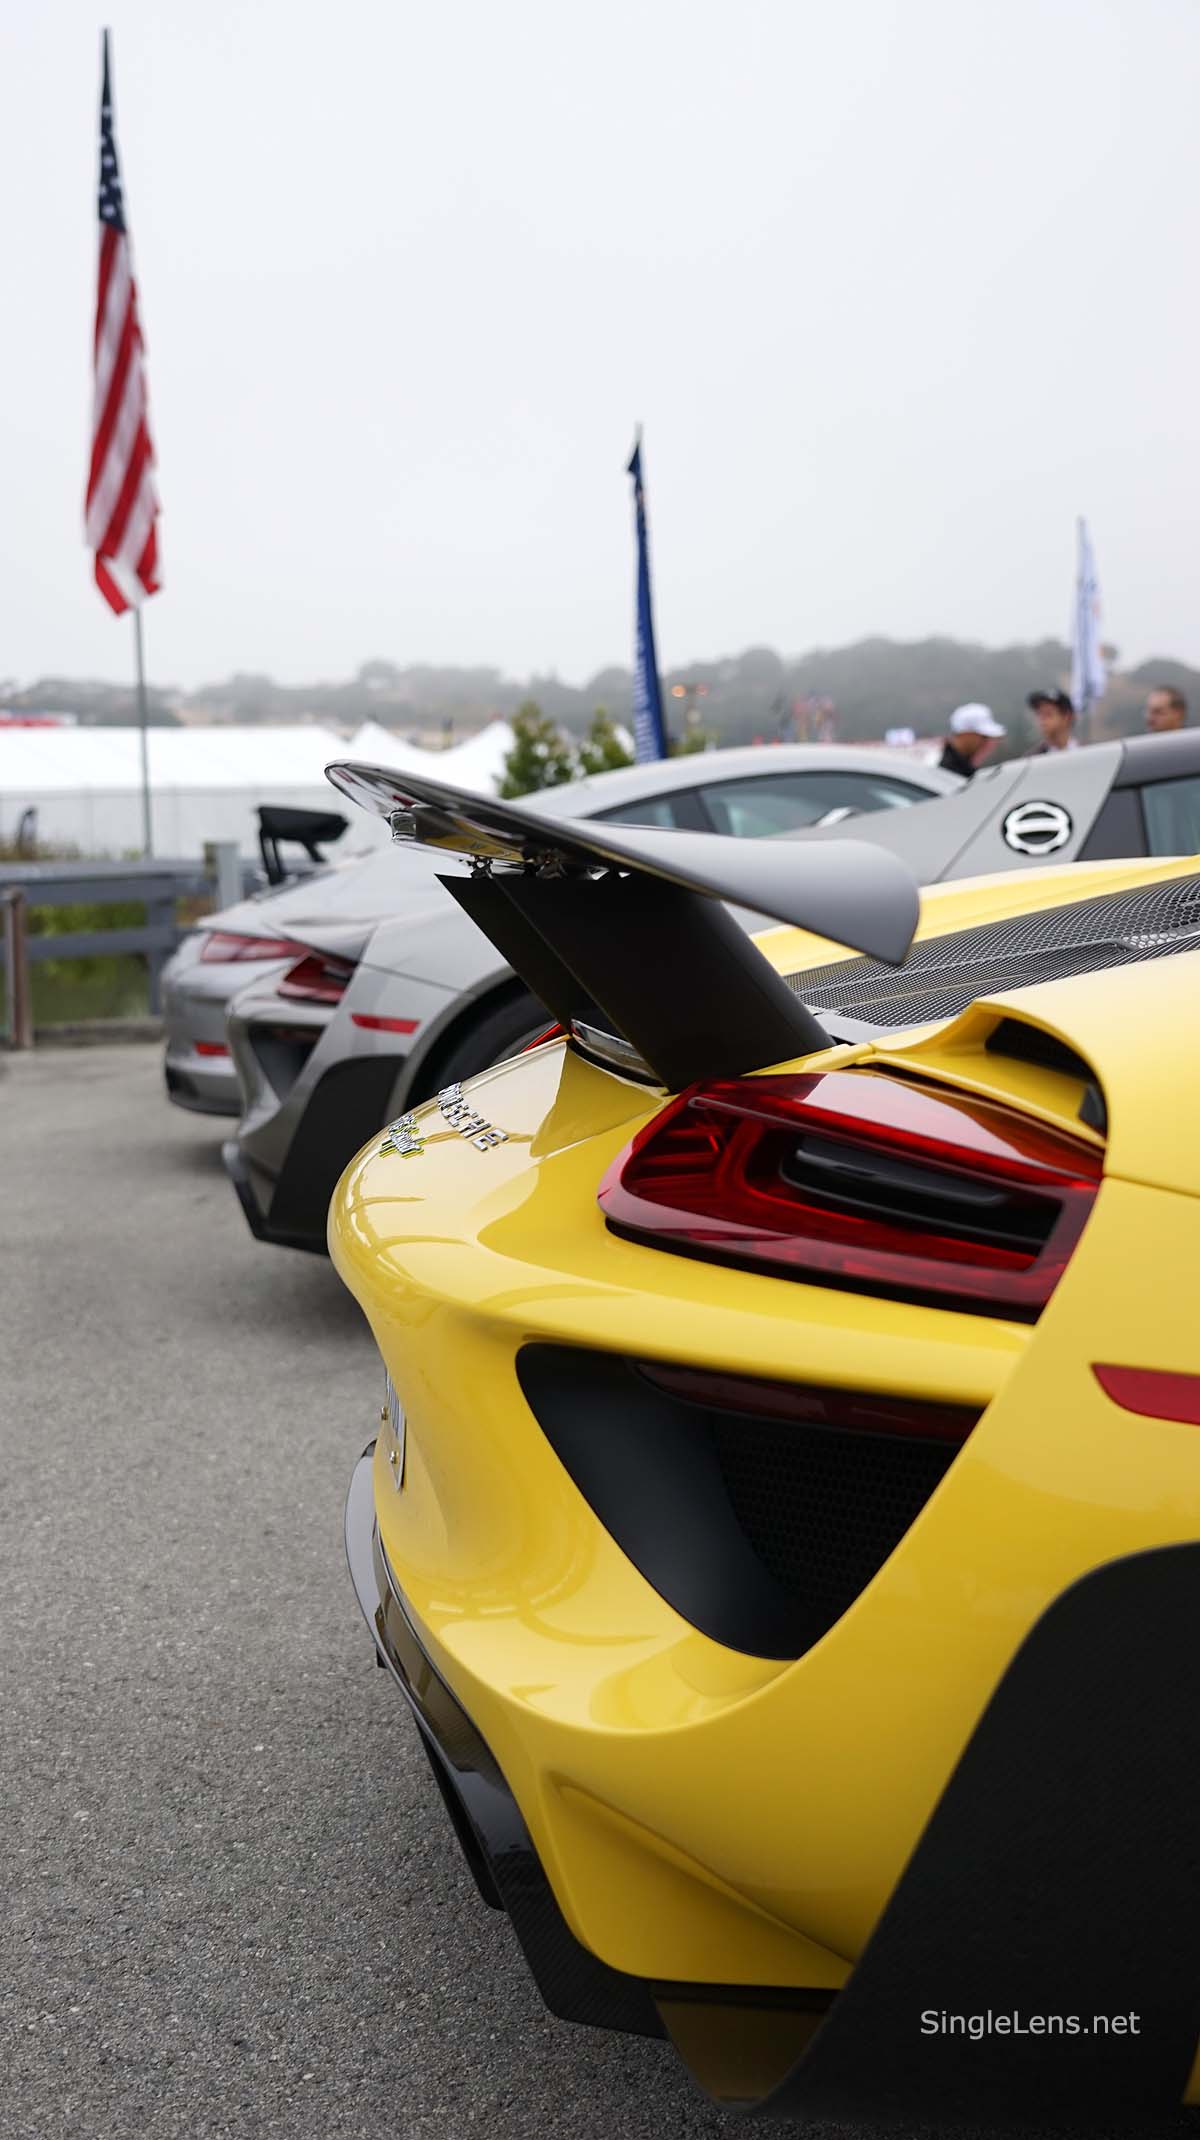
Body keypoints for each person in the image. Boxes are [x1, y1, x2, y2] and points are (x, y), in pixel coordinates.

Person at [938, 703, 1006, 779]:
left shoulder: (967, 771)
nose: (989, 743)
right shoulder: (948, 776)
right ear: (965, 735)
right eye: (984, 737)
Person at [1027, 688, 1077, 752]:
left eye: (1048, 713)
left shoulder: (1088, 751)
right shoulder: (1032, 759)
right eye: (1039, 714)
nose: (1042, 719)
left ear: (1066, 717)